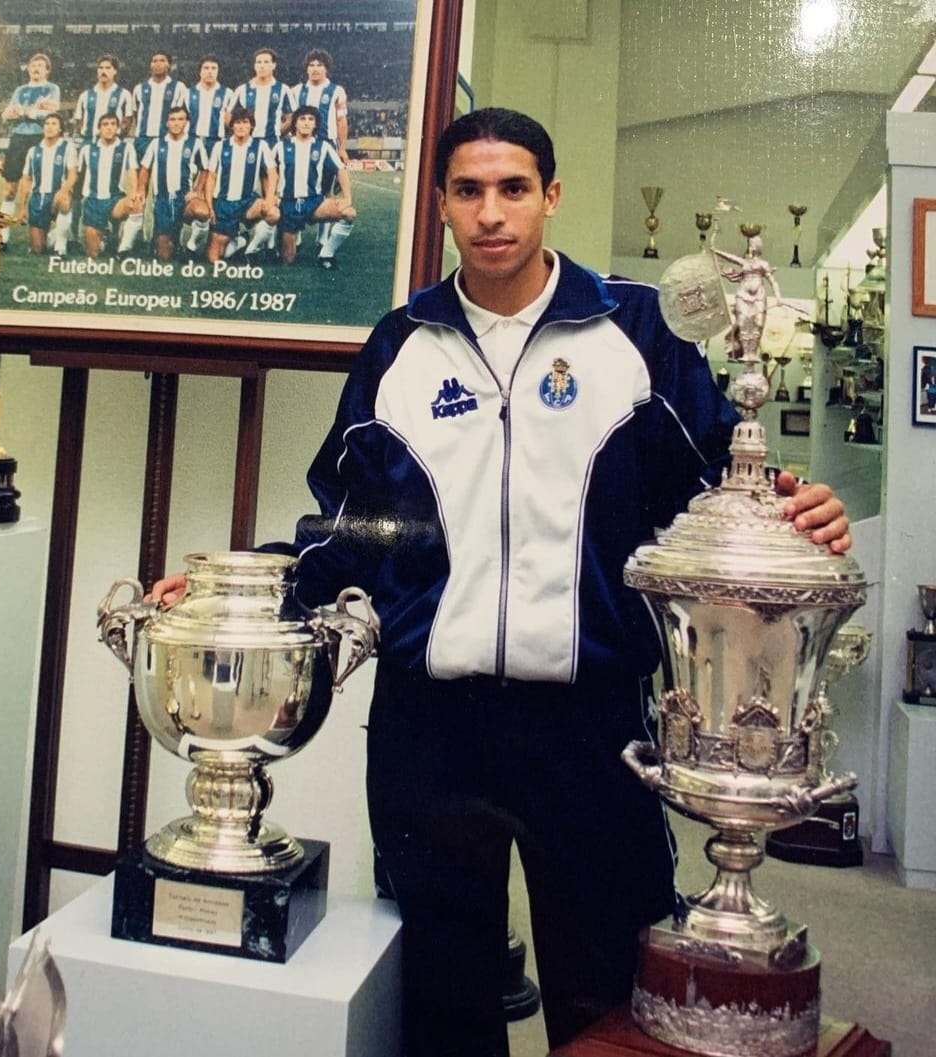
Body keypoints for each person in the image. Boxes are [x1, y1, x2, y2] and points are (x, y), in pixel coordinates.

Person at [150, 108, 850, 1057]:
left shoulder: (633, 329)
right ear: (440, 204)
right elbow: (352, 527)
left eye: (513, 188)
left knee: (605, 994)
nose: (491, 213)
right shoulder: (400, 345)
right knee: (443, 1002)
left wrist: (799, 511)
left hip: (592, 725)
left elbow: (727, 482)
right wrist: (243, 587)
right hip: (431, 729)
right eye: (469, 191)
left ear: (550, 196)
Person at [271, 105, 355, 267]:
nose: (306, 122)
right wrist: (272, 195)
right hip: (288, 204)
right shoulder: (281, 146)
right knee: (287, 260)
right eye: (302, 119)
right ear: (295, 123)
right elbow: (268, 172)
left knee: (349, 213)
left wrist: (347, 198)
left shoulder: (323, 147)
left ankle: (326, 255)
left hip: (314, 203)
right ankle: (280, 239)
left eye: (311, 119)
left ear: (316, 124)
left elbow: (341, 170)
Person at [196, 106, 279, 263]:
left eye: (245, 122)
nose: (241, 126)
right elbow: (211, 177)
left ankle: (251, 250)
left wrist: (269, 198)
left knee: (273, 213)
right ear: (232, 125)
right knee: (214, 258)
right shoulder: (220, 146)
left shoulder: (260, 146)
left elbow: (273, 173)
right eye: (237, 123)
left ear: (251, 125)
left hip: (248, 202)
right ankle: (240, 241)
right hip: (224, 203)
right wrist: (210, 206)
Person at [128, 105, 207, 261]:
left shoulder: (195, 143)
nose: (176, 123)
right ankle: (168, 241)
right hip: (163, 200)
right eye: (172, 119)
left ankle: (191, 247)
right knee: (164, 255)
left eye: (180, 119)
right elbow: (145, 169)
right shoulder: (156, 143)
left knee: (202, 212)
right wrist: (141, 189)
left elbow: (205, 169)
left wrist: (197, 190)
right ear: (167, 123)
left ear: (186, 122)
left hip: (184, 199)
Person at [0, 53, 61, 246]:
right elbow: (6, 114)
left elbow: (51, 113)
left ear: (47, 70)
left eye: (41, 65)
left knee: (45, 187)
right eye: (33, 65)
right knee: (10, 189)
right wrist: (32, 111)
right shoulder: (20, 90)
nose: (36, 68)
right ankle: (2, 236)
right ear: (28, 69)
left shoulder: (52, 89)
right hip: (18, 138)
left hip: (40, 138)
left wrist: (24, 112)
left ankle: (51, 235)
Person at [77, 113, 139, 259]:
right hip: (93, 201)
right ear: (99, 129)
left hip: (115, 200)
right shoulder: (87, 149)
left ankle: (123, 249)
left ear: (117, 128)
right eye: (105, 124)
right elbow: (79, 175)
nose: (109, 128)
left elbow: (132, 173)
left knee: (137, 205)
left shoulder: (126, 148)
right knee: (93, 254)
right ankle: (107, 237)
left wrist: (133, 195)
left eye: (113, 124)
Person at [15, 113, 78, 256]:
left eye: (54, 124)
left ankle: (60, 248)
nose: (49, 127)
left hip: (57, 195)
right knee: (38, 249)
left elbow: (73, 174)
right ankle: (57, 235)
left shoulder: (67, 147)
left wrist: (64, 190)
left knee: (64, 201)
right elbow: (26, 180)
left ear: (60, 129)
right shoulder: (33, 151)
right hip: (38, 199)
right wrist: (22, 208)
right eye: (47, 124)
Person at [131, 51, 189, 162]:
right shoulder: (139, 88)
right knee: (142, 172)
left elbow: (183, 114)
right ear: (150, 65)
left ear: (169, 65)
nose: (158, 64)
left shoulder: (179, 87)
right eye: (154, 61)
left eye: (162, 60)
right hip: (143, 139)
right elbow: (136, 113)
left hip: (167, 138)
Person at [230, 47, 291, 147]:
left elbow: (291, 117)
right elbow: (229, 115)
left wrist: (278, 132)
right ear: (254, 66)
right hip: (247, 143)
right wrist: (241, 133)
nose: (262, 66)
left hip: (272, 142)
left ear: (274, 65)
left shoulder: (283, 89)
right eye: (258, 62)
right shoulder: (242, 90)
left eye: (266, 62)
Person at [74, 54, 134, 144]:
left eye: (108, 68)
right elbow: (78, 120)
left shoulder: (124, 94)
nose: (103, 71)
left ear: (115, 71)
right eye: (100, 68)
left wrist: (116, 136)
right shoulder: (85, 95)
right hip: (90, 143)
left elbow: (127, 120)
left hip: (113, 143)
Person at [188, 56, 233, 156]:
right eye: (206, 68)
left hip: (216, 142)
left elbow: (230, 122)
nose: (210, 71)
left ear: (218, 71)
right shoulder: (188, 93)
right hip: (193, 140)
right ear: (200, 71)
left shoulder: (228, 93)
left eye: (213, 68)